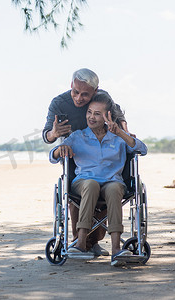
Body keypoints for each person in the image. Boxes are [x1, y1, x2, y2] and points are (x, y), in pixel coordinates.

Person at [49, 93, 147, 266]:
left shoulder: (118, 137)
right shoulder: (78, 136)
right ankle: (80, 244)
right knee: (91, 184)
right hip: (83, 183)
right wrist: (61, 148)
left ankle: (117, 249)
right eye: (89, 112)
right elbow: (52, 156)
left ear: (108, 116)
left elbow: (142, 149)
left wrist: (121, 133)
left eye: (96, 114)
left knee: (115, 188)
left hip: (112, 182)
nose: (91, 117)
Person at [43, 68, 131, 257]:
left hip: (106, 150)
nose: (79, 98)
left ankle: (95, 242)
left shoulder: (102, 98)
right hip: (76, 152)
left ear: (95, 91)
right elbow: (48, 137)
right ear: (71, 85)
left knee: (108, 189)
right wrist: (55, 134)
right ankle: (80, 241)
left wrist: (123, 133)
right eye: (75, 92)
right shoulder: (59, 103)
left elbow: (119, 117)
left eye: (85, 95)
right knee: (84, 191)